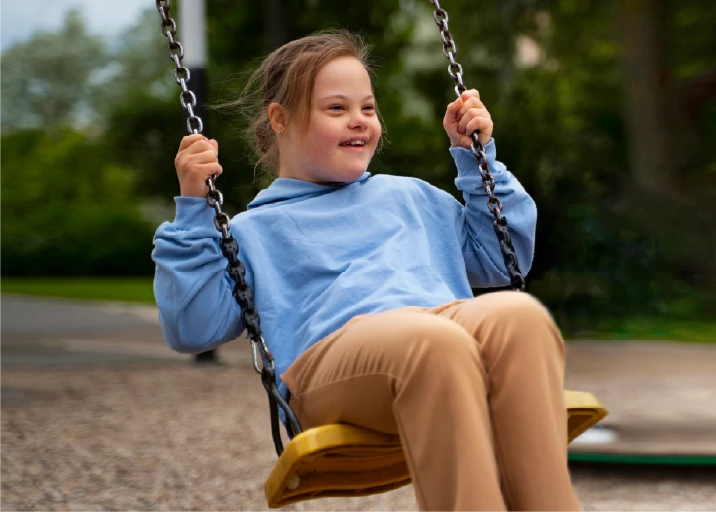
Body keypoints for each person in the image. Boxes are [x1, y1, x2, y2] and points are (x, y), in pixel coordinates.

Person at [152, 30, 581, 512]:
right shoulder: (252, 232)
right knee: (433, 341)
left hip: (440, 333)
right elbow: (191, 326)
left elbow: (505, 260)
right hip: (331, 366)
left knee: (517, 314)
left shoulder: (413, 197)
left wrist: (477, 157)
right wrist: (193, 208)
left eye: (368, 109)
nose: (359, 122)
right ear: (281, 118)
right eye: (336, 109)